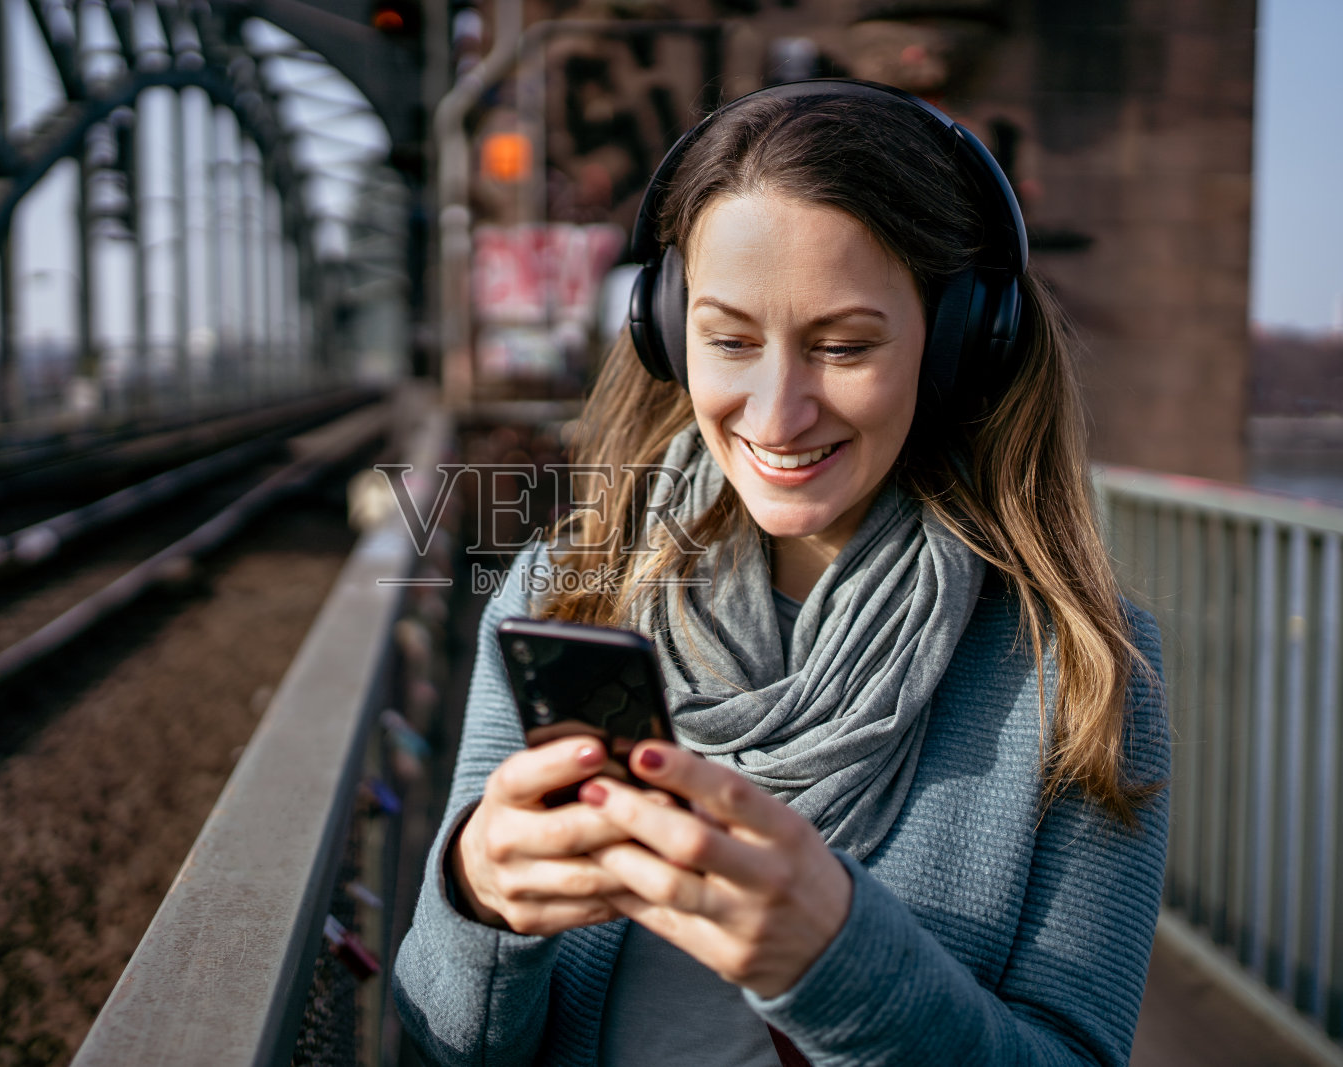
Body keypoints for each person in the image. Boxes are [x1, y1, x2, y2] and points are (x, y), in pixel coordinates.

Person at [392, 79, 1169, 1067]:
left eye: (842, 346)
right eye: (729, 340)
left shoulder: (1080, 666)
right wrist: (477, 896)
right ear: (667, 332)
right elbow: (447, 1034)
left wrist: (837, 959)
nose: (776, 411)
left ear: (964, 343)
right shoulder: (563, 590)